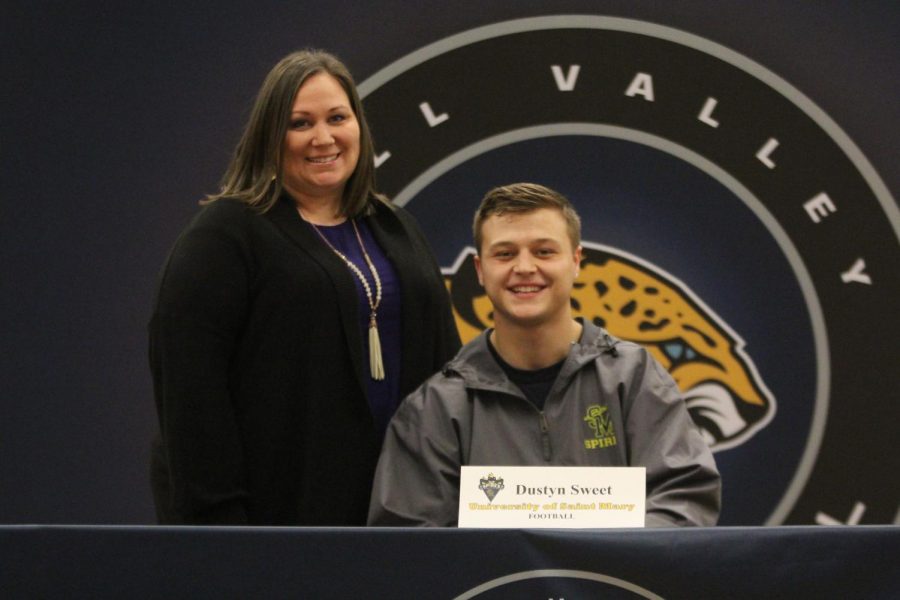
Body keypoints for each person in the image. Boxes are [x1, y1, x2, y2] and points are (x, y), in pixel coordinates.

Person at [149, 50, 460, 525]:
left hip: (407, 513)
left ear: (359, 126)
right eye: (300, 123)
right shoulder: (226, 234)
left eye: (338, 117)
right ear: (270, 138)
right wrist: (219, 524)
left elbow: (448, 374)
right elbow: (191, 390)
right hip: (274, 518)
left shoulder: (395, 227)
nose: (324, 138)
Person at [368, 183, 721, 527]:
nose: (524, 267)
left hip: (611, 586)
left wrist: (598, 568)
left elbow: (682, 497)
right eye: (505, 253)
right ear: (479, 270)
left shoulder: (634, 377)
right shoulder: (436, 407)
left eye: (544, 251)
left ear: (576, 261)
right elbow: (410, 543)